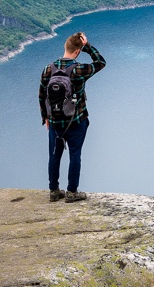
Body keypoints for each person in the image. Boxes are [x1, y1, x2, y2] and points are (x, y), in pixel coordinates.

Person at [39, 31, 106, 202]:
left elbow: (41, 95)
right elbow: (101, 62)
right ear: (77, 51)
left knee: (54, 155)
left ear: (65, 47)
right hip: (76, 121)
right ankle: (72, 193)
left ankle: (53, 191)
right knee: (75, 155)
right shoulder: (79, 70)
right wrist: (88, 47)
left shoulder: (48, 68)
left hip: (55, 122)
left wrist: (45, 117)